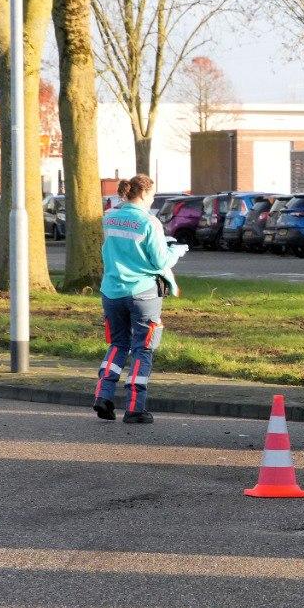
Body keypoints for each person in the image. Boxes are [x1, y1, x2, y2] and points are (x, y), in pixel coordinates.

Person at [93, 174, 184, 424]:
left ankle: (103, 395)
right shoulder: (149, 222)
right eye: (152, 195)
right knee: (142, 348)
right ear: (143, 194)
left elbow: (117, 248)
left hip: (111, 291)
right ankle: (134, 408)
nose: (152, 199)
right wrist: (175, 251)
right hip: (143, 293)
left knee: (117, 345)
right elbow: (159, 261)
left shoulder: (110, 217)